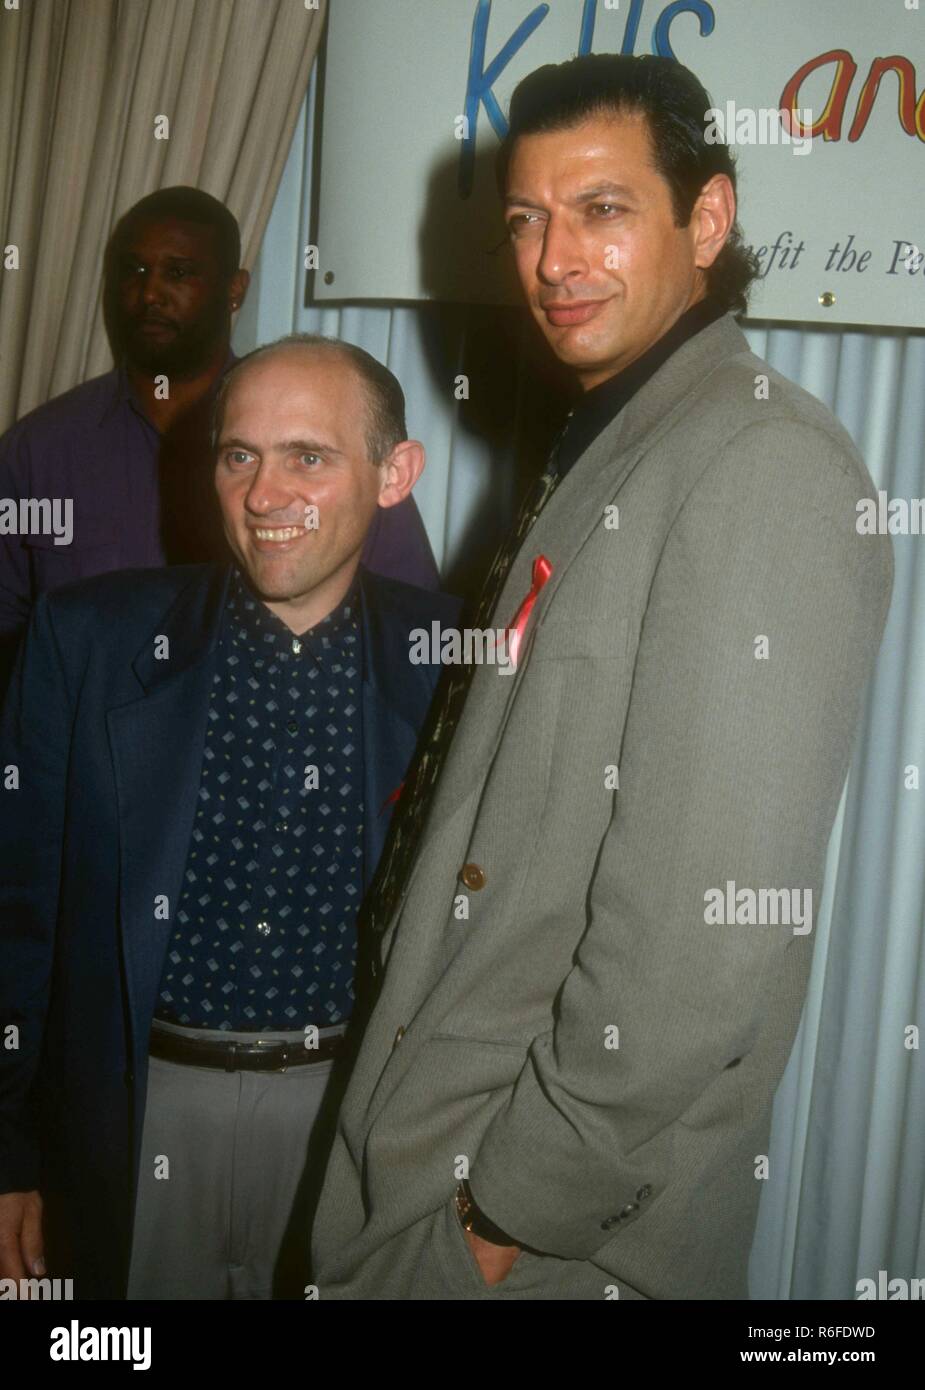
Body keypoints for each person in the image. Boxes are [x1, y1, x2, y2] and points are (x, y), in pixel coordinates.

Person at [309, 54, 894, 1300]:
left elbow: (700, 945)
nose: (553, 259)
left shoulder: (758, 462)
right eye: (525, 219)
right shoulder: (624, 436)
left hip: (536, 1241)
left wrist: (502, 1213)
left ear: (708, 219)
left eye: (603, 210)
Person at [0, 335, 459, 1300]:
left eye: (308, 456)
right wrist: (10, 1153)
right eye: (239, 454)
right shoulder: (86, 642)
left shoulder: (455, 670)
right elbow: (16, 916)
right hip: (135, 1120)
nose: (262, 492)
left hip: (353, 1128)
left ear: (394, 474)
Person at [0, 187, 439, 688]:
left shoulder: (339, 457)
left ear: (235, 290)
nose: (150, 294)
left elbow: (409, 629)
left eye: (179, 272)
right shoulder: (41, 448)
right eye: (134, 271)